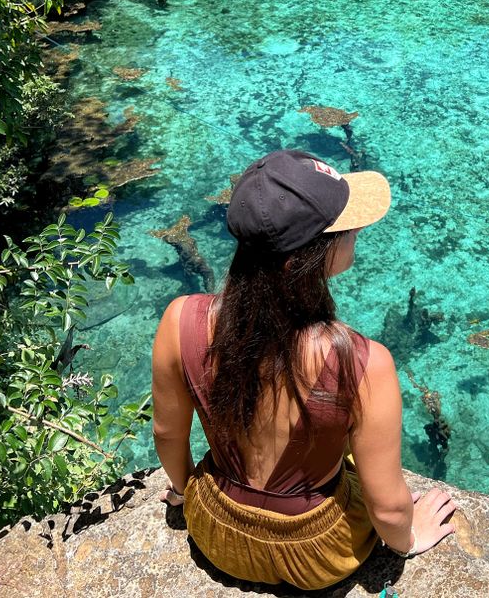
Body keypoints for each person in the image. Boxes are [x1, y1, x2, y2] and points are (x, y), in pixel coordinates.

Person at [152, 149, 456, 590]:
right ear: (306, 259)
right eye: (346, 228)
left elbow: (167, 434)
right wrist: (408, 538)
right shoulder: (364, 363)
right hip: (317, 552)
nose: (357, 232)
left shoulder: (179, 319)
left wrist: (184, 492)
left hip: (216, 529)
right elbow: (389, 508)